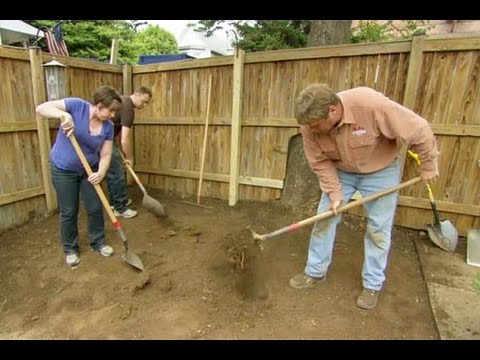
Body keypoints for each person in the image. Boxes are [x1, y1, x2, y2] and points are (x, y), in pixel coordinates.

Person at [290, 83, 439, 310]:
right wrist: (335, 192)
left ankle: (372, 285)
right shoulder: (310, 125)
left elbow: (418, 129)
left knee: (378, 229)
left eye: (316, 125)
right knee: (324, 219)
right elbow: (319, 162)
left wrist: (428, 164)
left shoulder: (370, 104)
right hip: (341, 172)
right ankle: (315, 271)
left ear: (332, 110)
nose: (313, 130)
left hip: (381, 170)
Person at [36, 85, 123, 267]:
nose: (113, 115)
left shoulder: (108, 127)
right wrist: (63, 115)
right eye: (111, 110)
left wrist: (100, 172)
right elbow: (41, 108)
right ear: (99, 105)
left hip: (88, 170)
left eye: (115, 112)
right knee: (69, 210)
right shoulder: (76, 107)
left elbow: (106, 154)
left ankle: (98, 242)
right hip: (63, 169)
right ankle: (70, 249)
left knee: (94, 206)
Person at [107, 86, 152, 218]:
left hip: (104, 139)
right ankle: (120, 208)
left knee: (112, 172)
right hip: (104, 141)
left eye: (146, 103)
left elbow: (114, 127)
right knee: (118, 173)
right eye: (144, 101)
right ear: (137, 94)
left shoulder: (123, 101)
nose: (144, 105)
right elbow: (124, 140)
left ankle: (114, 202)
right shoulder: (128, 108)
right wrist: (130, 158)